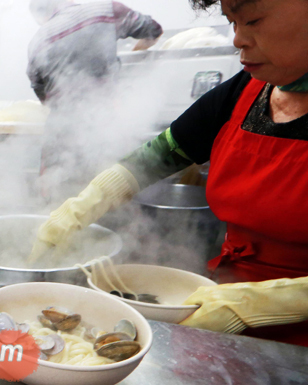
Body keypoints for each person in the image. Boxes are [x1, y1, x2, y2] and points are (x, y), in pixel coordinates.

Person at [31, 0, 308, 346]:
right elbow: (162, 152)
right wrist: (82, 205)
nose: (237, 39)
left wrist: (266, 303)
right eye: (232, 22)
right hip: (217, 305)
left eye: (252, 20)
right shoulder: (245, 91)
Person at [27, 0, 163, 104]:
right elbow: (153, 29)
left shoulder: (37, 43)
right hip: (103, 116)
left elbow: (41, 92)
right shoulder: (105, 9)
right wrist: (137, 49)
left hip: (61, 128)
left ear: (41, 16)